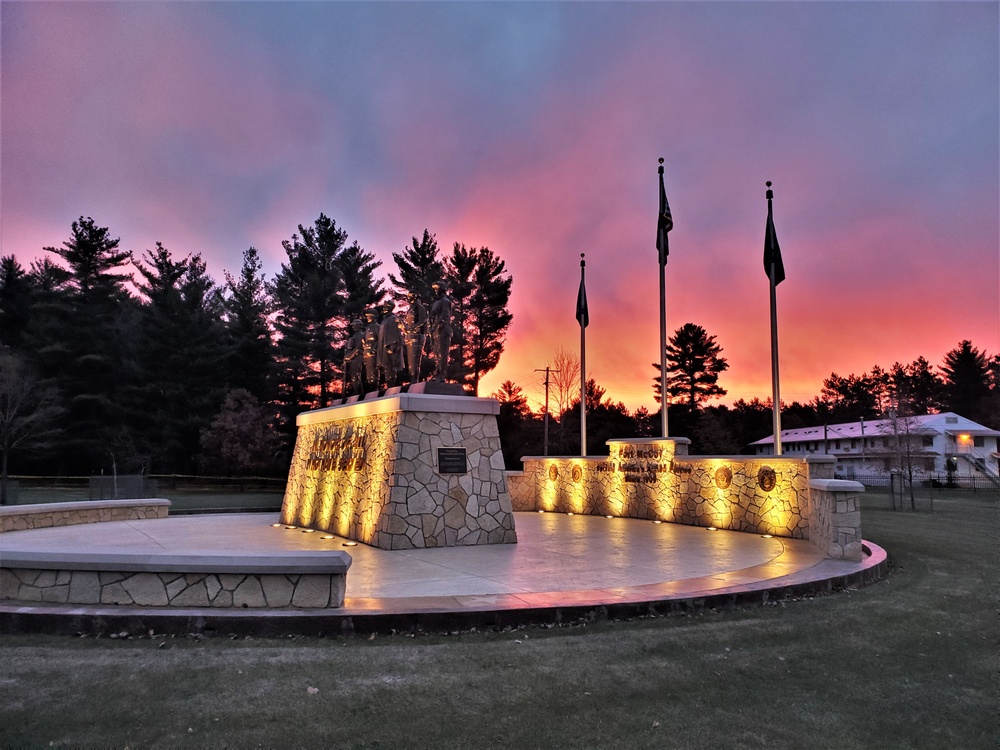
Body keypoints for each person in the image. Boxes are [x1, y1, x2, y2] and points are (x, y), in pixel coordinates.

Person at [428, 282, 453, 381]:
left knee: (443, 354)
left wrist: (439, 325)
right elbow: (432, 316)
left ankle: (441, 374)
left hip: (443, 330)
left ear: (441, 290)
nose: (435, 291)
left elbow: (445, 315)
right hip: (435, 330)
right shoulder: (435, 303)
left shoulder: (445, 301)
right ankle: (437, 372)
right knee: (436, 353)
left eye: (437, 289)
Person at [377, 301, 405, 387]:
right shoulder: (385, 320)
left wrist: (392, 346)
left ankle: (391, 385)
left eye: (387, 306)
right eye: (384, 306)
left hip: (390, 347)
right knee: (386, 368)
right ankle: (389, 385)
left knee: (390, 367)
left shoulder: (393, 319)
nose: (384, 308)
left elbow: (394, 335)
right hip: (384, 347)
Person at [402, 292, 428, 383]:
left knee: (414, 361)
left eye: (411, 296)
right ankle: (412, 380)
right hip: (409, 336)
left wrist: (412, 329)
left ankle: (414, 381)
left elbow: (422, 320)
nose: (409, 298)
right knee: (410, 363)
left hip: (417, 336)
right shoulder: (410, 309)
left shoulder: (420, 307)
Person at [343, 318, 365, 396]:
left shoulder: (361, 335)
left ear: (359, 326)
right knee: (354, 374)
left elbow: (358, 348)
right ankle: (357, 391)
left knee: (355, 374)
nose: (353, 327)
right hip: (353, 358)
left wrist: (349, 356)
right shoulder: (355, 335)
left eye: (354, 325)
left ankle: (357, 391)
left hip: (357, 357)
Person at [361, 308, 380, 391]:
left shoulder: (376, 327)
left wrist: (374, 349)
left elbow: (379, 339)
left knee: (373, 372)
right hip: (366, 352)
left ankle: (375, 388)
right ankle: (371, 388)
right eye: (367, 316)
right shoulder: (368, 328)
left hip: (372, 353)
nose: (367, 317)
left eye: (369, 316)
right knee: (368, 373)